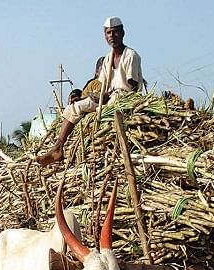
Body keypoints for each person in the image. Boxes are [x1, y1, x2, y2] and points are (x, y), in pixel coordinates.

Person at [37, 17, 143, 166]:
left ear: (122, 33)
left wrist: (106, 97)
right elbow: (103, 86)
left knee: (110, 103)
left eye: (115, 32)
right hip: (109, 96)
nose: (112, 36)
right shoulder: (107, 59)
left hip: (125, 97)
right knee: (74, 107)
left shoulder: (130, 55)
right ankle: (58, 147)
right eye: (108, 33)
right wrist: (93, 97)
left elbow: (132, 86)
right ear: (105, 36)